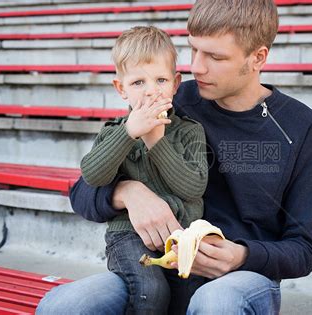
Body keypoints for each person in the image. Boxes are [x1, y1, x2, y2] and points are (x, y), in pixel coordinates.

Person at [36, 0, 312, 314]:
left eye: (215, 56)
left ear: (258, 58)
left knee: (215, 302)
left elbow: (304, 249)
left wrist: (241, 255)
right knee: (64, 305)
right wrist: (129, 193)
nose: (197, 67)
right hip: (155, 270)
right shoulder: (171, 97)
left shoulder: (301, 126)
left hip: (238, 280)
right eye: (193, 50)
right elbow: (82, 192)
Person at [77, 25, 208, 313]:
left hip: (180, 236)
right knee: (151, 290)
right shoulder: (114, 132)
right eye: (138, 83)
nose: (151, 91)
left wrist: (157, 142)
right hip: (128, 236)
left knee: (189, 294)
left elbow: (194, 187)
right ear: (120, 89)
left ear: (175, 84)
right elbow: (93, 175)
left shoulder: (190, 132)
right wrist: (128, 134)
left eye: (160, 80)